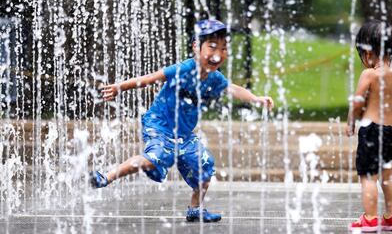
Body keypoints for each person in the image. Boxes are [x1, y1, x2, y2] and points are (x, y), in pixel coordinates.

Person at [90, 19, 274, 222]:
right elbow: (152, 78)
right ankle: (106, 177)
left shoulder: (215, 78)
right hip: (159, 126)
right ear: (196, 47)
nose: (217, 54)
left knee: (205, 164)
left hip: (184, 134)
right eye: (212, 47)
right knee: (155, 157)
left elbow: (234, 89)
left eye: (223, 48)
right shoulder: (184, 68)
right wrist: (120, 87)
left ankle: (196, 209)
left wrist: (256, 98)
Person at [347, 20, 392, 232]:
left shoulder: (369, 74)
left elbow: (357, 101)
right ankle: (391, 218)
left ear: (368, 53)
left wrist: (351, 122)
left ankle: (370, 219)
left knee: (368, 177)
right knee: (388, 177)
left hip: (372, 129)